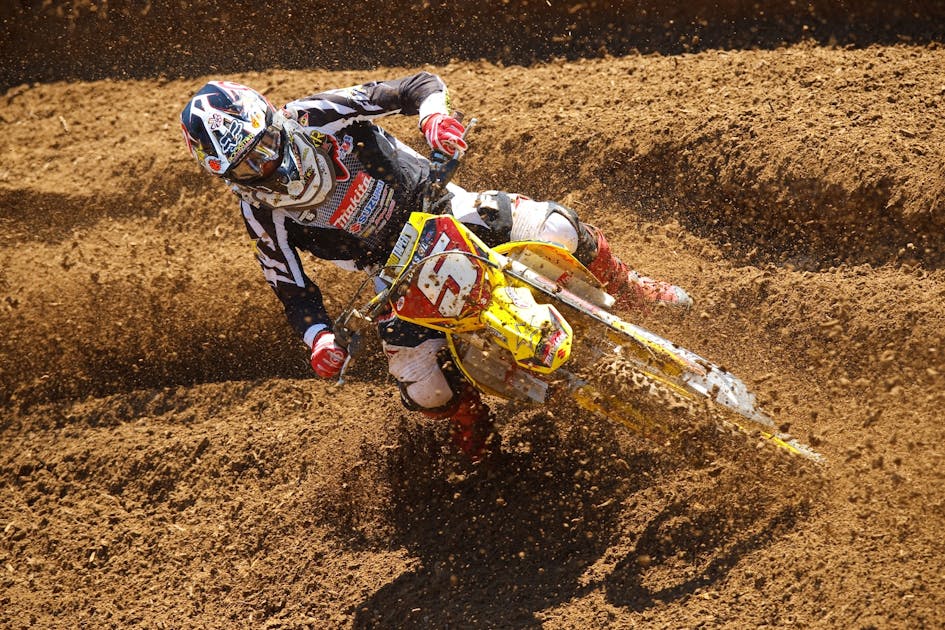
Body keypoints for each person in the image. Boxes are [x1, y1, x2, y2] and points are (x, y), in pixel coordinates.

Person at [179, 73, 692, 461]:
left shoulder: (316, 113)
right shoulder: (261, 214)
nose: (268, 165)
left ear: (274, 121)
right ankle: (470, 421)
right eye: (248, 165)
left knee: (554, 226)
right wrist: (319, 340)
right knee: (422, 385)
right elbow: (293, 290)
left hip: (444, 207)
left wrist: (433, 119)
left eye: (266, 145)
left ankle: (629, 285)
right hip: (392, 278)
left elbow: (416, 86)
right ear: (228, 176)